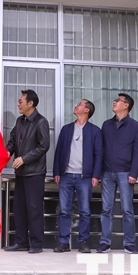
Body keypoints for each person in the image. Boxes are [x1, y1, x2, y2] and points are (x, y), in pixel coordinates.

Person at [52, 99, 102, 254]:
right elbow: (59, 152)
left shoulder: (94, 131)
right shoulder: (66, 129)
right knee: (64, 210)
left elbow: (99, 155)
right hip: (66, 175)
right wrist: (57, 172)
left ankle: (84, 242)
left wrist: (96, 175)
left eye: (80, 104)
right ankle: (63, 242)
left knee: (85, 211)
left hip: (84, 177)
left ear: (87, 110)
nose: (76, 105)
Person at [3, 89, 50, 254]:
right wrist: (8, 151)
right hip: (21, 173)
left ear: (30, 103)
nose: (18, 104)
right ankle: (21, 242)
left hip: (35, 172)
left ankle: (36, 244)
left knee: (34, 208)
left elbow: (44, 146)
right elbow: (12, 140)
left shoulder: (41, 122)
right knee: (19, 209)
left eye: (20, 101)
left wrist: (24, 159)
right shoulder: (20, 121)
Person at [99, 93, 138, 255]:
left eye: (118, 100)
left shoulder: (135, 127)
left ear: (126, 106)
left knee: (127, 209)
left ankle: (129, 243)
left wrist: (134, 173)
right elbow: (101, 149)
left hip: (126, 173)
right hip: (107, 172)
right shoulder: (106, 125)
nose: (114, 102)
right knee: (106, 209)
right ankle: (104, 242)